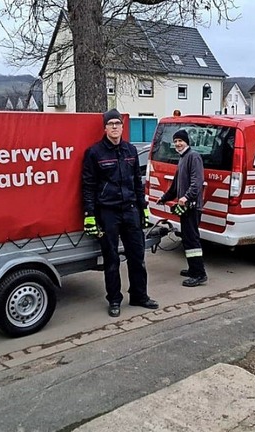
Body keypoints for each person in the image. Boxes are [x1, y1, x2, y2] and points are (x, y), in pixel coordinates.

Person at [82, 108, 159, 317]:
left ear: (123, 127)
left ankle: (139, 296)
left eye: (118, 124)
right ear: (105, 128)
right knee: (112, 259)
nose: (115, 127)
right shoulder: (94, 153)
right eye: (111, 124)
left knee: (137, 256)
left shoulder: (130, 151)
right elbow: (88, 186)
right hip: (108, 212)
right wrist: (89, 214)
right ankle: (114, 300)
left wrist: (143, 207)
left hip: (131, 210)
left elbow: (137, 182)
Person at [156, 129, 207, 287]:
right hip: (185, 206)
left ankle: (199, 274)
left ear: (187, 142)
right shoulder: (183, 158)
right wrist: (164, 198)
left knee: (192, 240)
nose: (178, 144)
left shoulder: (193, 157)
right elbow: (176, 185)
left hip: (191, 206)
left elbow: (197, 182)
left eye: (180, 141)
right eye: (176, 141)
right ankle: (193, 269)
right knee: (187, 238)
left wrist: (186, 197)